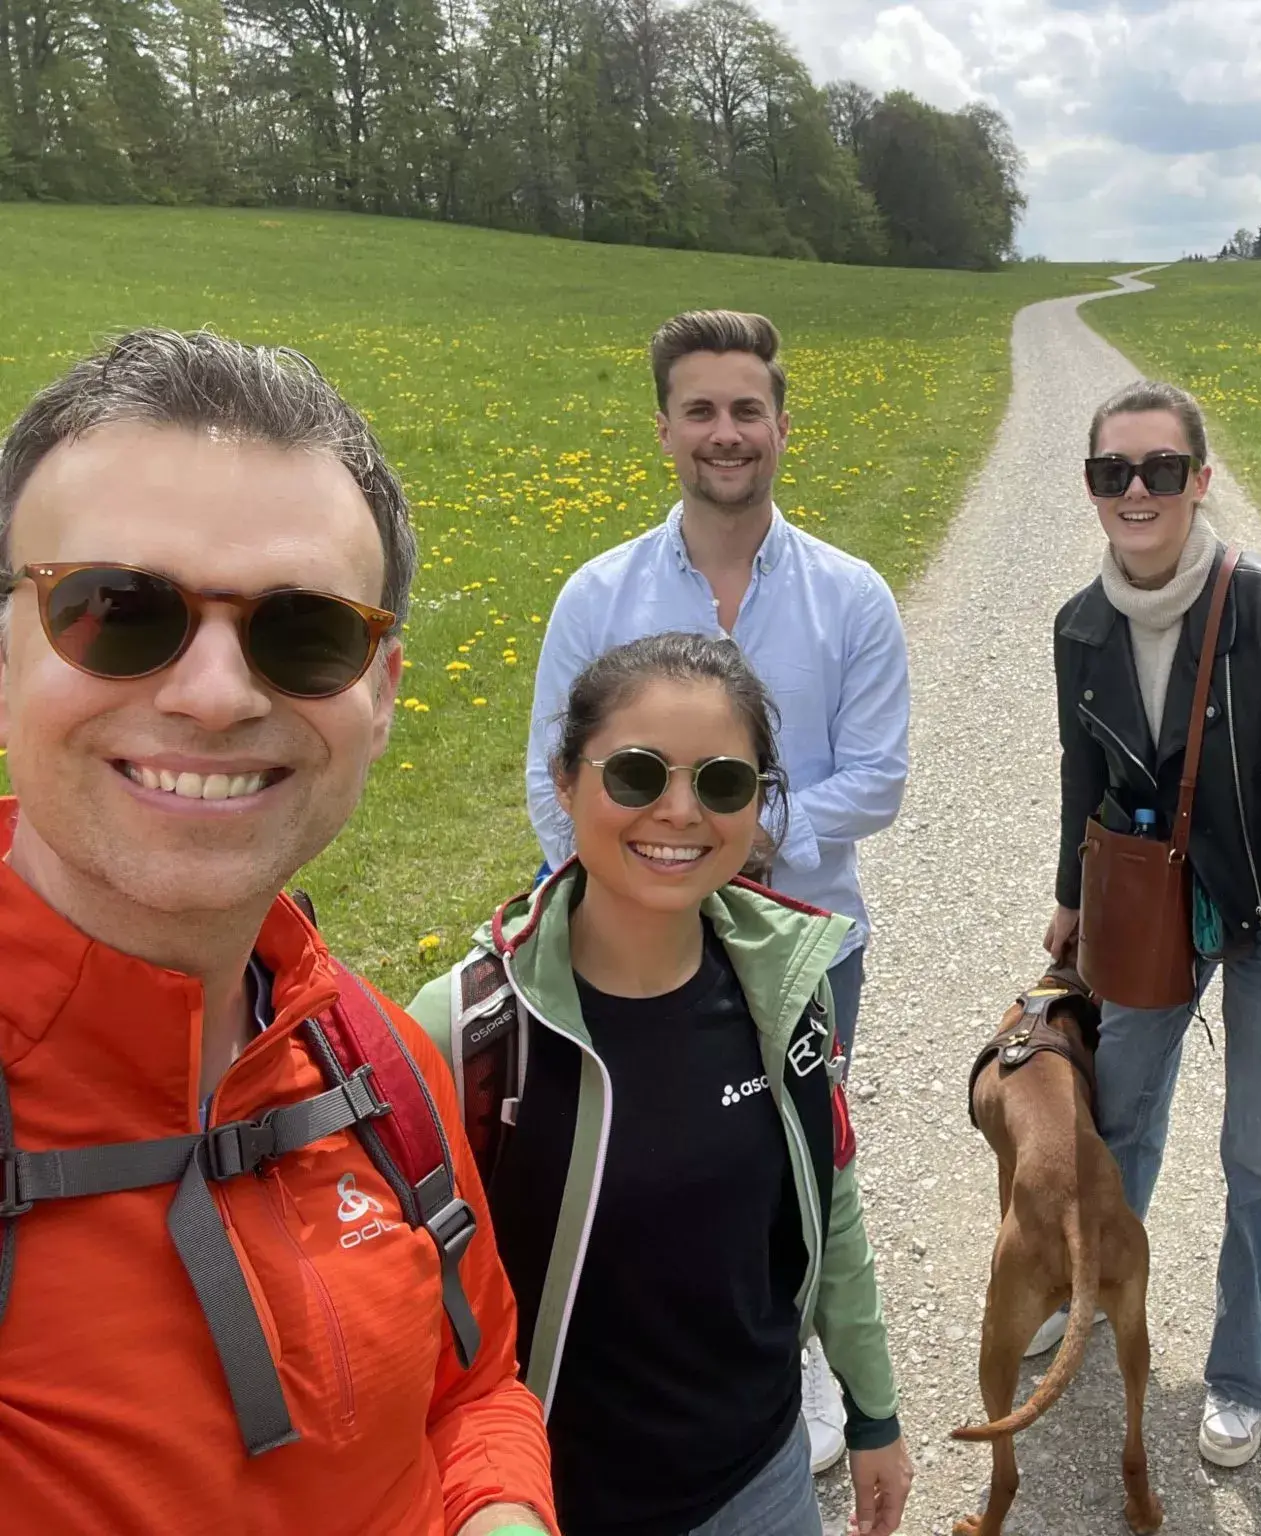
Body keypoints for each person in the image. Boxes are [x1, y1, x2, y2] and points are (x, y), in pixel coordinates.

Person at [0, 329, 555, 1533]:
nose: (213, 693)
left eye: (304, 632)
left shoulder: (374, 1057)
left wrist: (499, 1510)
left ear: (383, 693)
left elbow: (471, 1389)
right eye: (114, 608)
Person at [524, 309, 910, 1471]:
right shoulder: (597, 594)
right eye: (701, 410)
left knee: (794, 1162)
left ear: (782, 427)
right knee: (638, 1158)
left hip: (807, 947)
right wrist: (647, 886)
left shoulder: (852, 597)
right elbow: (555, 783)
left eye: (747, 410)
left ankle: (793, 1363)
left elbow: (877, 779)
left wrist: (735, 839)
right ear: (664, 430)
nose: (725, 433)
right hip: (622, 954)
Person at [418, 631, 912, 1536]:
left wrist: (874, 1413)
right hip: (557, 1503)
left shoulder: (788, 989)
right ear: (565, 782)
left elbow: (829, 1209)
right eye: (638, 775)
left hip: (763, 1483)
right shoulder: (467, 1032)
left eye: (723, 783)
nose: (680, 812)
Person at [1042, 378, 1261, 1469]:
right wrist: (1070, 898)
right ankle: (1086, 1298)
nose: (1137, 490)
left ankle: (1240, 1376)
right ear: (1090, 488)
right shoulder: (1079, 626)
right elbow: (1081, 772)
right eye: (1112, 471)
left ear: (1198, 480)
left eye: (1160, 469)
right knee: (1115, 1117)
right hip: (1146, 910)